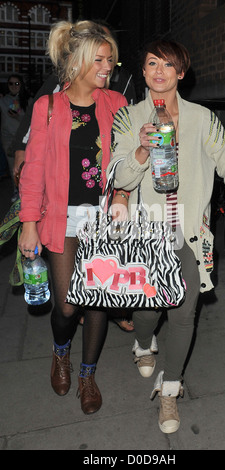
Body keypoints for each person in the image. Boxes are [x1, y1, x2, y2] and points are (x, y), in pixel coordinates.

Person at [107, 39, 225, 434]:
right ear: (143, 70)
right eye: (152, 62)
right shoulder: (128, 117)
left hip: (190, 231)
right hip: (145, 231)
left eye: (168, 65)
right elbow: (117, 175)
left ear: (181, 73)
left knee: (184, 312)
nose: (159, 71)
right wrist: (139, 149)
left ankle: (169, 388)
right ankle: (142, 342)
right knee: (147, 311)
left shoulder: (202, 117)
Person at [18, 20, 128, 415]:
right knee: (66, 305)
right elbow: (32, 170)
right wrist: (28, 223)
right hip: (60, 218)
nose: (107, 66)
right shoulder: (48, 107)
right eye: (98, 59)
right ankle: (60, 352)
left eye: (110, 60)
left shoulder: (116, 103)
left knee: (96, 300)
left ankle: (87, 374)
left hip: (103, 218)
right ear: (77, 60)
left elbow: (125, 162)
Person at [0, 74, 29, 200]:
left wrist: (17, 116)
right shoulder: (3, 100)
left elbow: (31, 120)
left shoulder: (28, 100)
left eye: (16, 83)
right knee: (13, 166)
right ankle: (16, 190)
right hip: (7, 138)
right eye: (11, 84)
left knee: (24, 166)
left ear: (21, 85)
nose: (13, 86)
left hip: (24, 139)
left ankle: (25, 190)